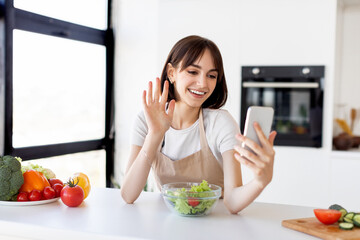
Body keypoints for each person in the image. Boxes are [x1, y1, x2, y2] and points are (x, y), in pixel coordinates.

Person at [121, 35, 277, 214]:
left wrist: (260, 181)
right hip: (171, 219)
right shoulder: (146, 119)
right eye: (193, 72)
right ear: (172, 73)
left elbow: (233, 202)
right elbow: (128, 194)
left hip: (215, 221)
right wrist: (155, 133)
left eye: (211, 75)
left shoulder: (221, 123)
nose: (203, 83)